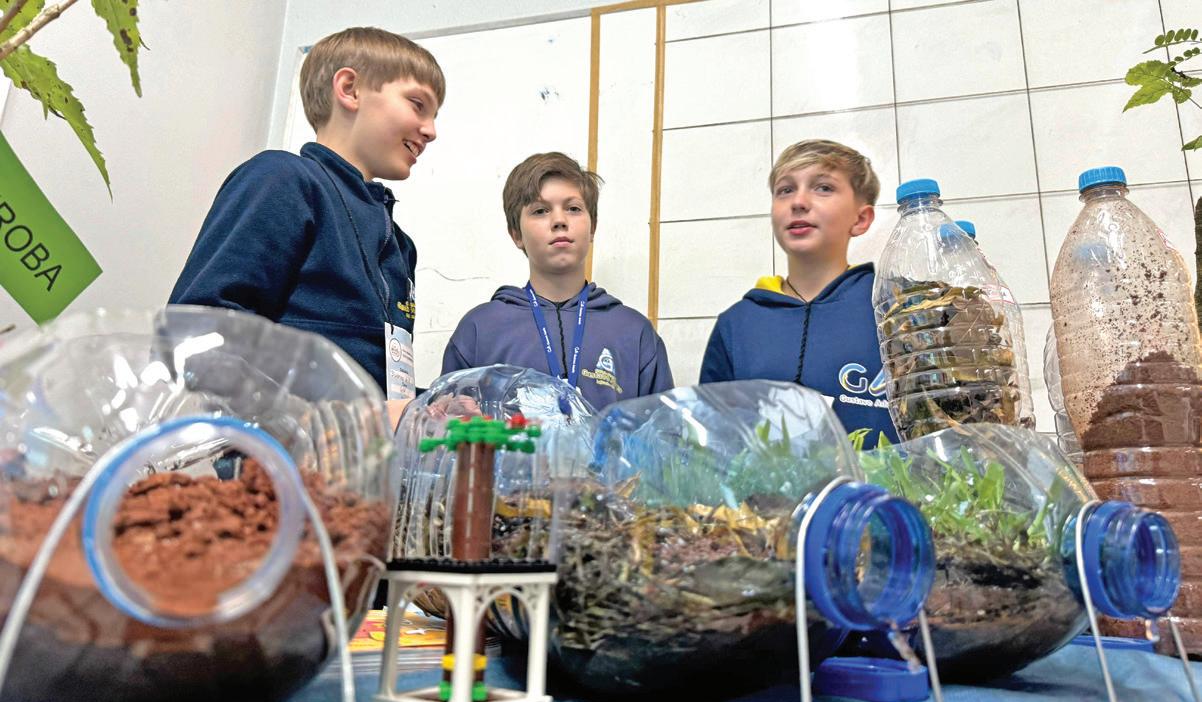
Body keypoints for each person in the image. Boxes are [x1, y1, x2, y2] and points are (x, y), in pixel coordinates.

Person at [170, 27, 445, 428]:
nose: (431, 130)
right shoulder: (283, 179)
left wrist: (429, 407)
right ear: (349, 89)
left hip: (362, 458)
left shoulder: (401, 246)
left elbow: (375, 387)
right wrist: (351, 420)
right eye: (418, 105)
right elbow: (198, 334)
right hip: (279, 457)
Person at [700, 139, 897, 448]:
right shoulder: (737, 325)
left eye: (823, 188)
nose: (799, 202)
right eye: (785, 190)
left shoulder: (894, 310)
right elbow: (714, 443)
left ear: (860, 219)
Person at [441, 152, 673, 411]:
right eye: (540, 211)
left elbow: (663, 431)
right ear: (516, 234)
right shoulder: (480, 329)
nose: (560, 221)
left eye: (573, 209)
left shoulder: (634, 333)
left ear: (592, 227)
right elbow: (448, 425)